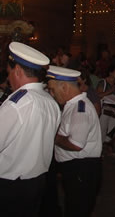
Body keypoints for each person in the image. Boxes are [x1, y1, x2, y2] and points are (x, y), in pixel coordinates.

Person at [0, 42, 61, 216]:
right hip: (37, 181)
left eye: (9, 72)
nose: (8, 77)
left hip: (10, 185)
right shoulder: (50, 101)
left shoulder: (17, 104)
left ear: (17, 70)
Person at [47, 66, 102, 217]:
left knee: (77, 209)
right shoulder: (73, 105)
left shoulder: (80, 109)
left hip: (80, 169)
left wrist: (53, 136)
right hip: (77, 168)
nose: (51, 94)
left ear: (64, 86)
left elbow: (76, 144)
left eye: (52, 90)